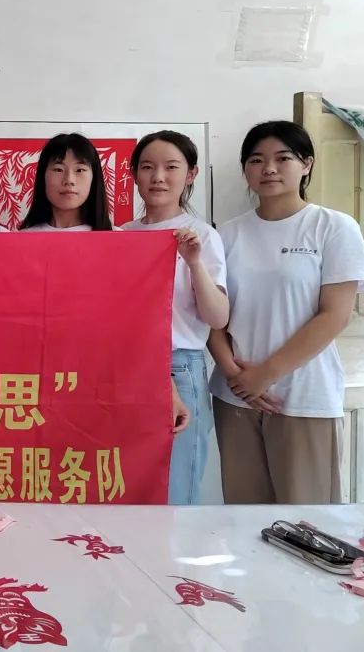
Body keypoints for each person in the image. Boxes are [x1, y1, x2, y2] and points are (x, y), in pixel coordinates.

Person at [208, 120, 364, 504]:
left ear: (306, 164)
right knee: (243, 515)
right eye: (256, 160)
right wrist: (235, 375)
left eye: (283, 158)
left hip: (303, 395)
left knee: (306, 518)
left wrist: (266, 374)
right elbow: (211, 314)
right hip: (235, 397)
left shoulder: (333, 227)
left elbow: (334, 315)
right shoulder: (226, 234)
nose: (268, 168)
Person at [122, 131, 228, 504]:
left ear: (191, 174)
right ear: (134, 174)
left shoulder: (201, 236)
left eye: (171, 167)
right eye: (147, 167)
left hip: (178, 366)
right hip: (127, 367)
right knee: (129, 483)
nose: (158, 177)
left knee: (175, 489)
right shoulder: (122, 235)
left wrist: (194, 262)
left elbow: (217, 317)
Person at [19, 133, 113, 231]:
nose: (69, 180)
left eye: (79, 170)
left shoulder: (116, 236)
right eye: (58, 169)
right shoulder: (23, 237)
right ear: (43, 176)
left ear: (94, 178)